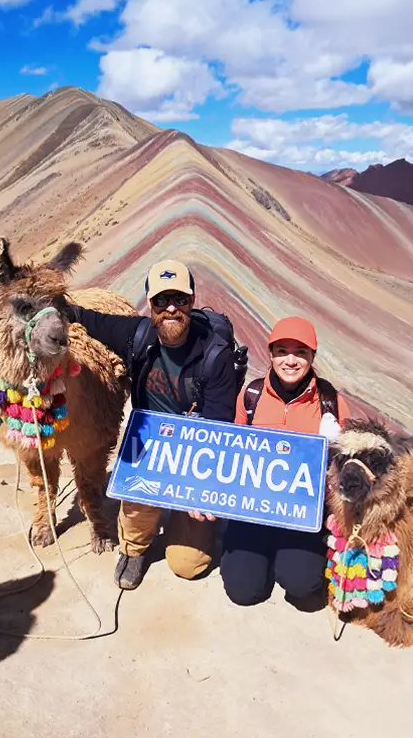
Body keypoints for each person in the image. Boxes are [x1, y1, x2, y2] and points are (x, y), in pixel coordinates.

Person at [67, 260, 243, 590]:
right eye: (162, 301)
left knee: (188, 566)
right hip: (151, 449)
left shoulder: (214, 356)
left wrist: (201, 490)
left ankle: (187, 518)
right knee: (136, 502)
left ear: (192, 301)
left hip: (195, 456)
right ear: (150, 305)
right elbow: (83, 317)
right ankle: (135, 550)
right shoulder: (138, 336)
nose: (171, 308)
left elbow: (218, 428)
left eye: (180, 299)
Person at [221, 316, 349, 609]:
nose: (290, 361)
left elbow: (345, 465)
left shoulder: (330, 401)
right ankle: (254, 557)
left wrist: (333, 447)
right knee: (243, 591)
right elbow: (234, 450)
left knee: (303, 585)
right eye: (282, 351)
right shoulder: (251, 396)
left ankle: (289, 559)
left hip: (302, 515)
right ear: (271, 354)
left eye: (300, 353)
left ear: (312, 357)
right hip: (255, 509)